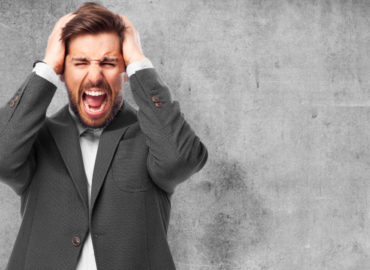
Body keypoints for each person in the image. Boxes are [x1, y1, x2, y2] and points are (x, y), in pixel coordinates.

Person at [0, 2, 207, 269]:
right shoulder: (36, 140)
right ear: (63, 72)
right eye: (81, 62)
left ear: (126, 72)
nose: (95, 76)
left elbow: (182, 160)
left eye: (109, 63)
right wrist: (48, 65)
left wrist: (139, 61)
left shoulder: (153, 139)